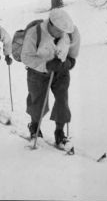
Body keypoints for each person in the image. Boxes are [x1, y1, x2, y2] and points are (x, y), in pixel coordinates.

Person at [22, 8, 80, 146]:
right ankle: (35, 126)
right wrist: (46, 65)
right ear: (51, 24)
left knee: (62, 100)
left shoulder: (72, 32)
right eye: (58, 30)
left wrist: (67, 63)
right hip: (37, 73)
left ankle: (59, 132)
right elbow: (26, 57)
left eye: (63, 31)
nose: (61, 33)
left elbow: (73, 56)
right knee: (37, 101)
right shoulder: (34, 33)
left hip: (61, 72)